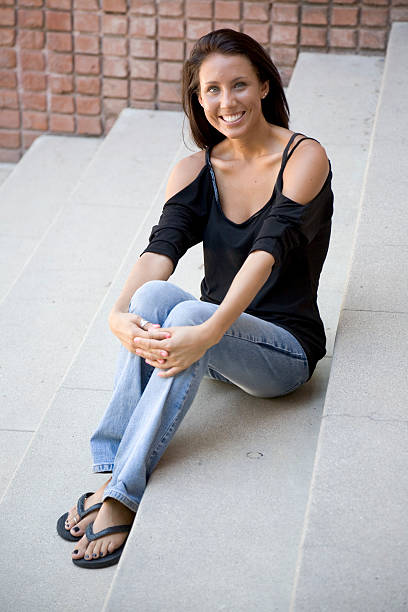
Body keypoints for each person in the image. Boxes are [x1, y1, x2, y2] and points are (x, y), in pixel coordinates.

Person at [56, 28, 333, 569]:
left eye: (239, 86)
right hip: (205, 342)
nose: (227, 102)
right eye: (212, 90)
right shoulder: (194, 170)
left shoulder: (304, 156)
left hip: (282, 352)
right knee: (156, 294)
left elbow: (266, 253)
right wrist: (117, 316)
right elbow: (160, 251)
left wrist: (206, 330)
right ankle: (115, 458)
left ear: (265, 86)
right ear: (197, 98)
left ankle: (122, 493)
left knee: (185, 310)